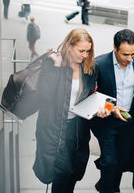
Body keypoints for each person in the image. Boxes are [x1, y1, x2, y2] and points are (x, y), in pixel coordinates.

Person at [90, 29, 134, 193]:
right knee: (110, 162)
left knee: (121, 161)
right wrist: (111, 108)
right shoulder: (99, 64)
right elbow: (92, 95)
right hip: (107, 122)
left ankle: (108, 186)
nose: (130, 59)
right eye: (125, 54)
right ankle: (107, 189)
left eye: (133, 54)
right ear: (115, 48)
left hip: (129, 120)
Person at [33, 28, 97, 193]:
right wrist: (55, 65)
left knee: (73, 173)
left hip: (78, 130)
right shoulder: (53, 62)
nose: (84, 55)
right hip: (55, 129)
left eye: (88, 51)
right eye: (81, 50)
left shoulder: (88, 67)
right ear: (69, 46)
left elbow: (90, 95)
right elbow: (45, 96)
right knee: (62, 172)